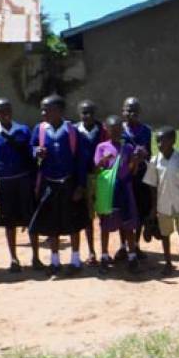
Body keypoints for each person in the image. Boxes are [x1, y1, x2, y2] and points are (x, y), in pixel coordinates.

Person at [29, 95, 89, 276]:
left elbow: (81, 159)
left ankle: (75, 259)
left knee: (74, 222)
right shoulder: (39, 129)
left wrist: (80, 186)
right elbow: (31, 148)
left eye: (47, 109)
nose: (43, 113)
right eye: (42, 109)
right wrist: (35, 151)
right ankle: (54, 261)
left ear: (59, 111)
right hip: (49, 184)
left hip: (69, 183)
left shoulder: (72, 131)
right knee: (51, 223)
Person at [0, 98, 40, 272]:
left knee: (31, 220)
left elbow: (32, 155)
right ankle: (14, 259)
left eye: (8, 109)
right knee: (9, 223)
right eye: (1, 111)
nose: (5, 113)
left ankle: (36, 257)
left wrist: (35, 183)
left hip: (24, 181)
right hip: (5, 184)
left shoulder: (23, 130)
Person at [94, 115, 141, 273]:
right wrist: (104, 160)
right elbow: (97, 170)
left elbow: (132, 171)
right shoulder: (101, 147)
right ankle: (105, 257)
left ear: (122, 130)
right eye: (112, 130)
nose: (115, 133)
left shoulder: (127, 148)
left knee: (127, 225)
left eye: (118, 130)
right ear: (106, 130)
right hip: (108, 192)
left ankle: (132, 256)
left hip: (125, 190)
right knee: (106, 226)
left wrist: (135, 160)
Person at [143, 127, 179, 276]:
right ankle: (168, 263)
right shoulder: (154, 161)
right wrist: (153, 208)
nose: (159, 144)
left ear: (173, 141)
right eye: (157, 141)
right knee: (165, 235)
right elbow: (152, 185)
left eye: (162, 140)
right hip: (163, 204)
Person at [76, 100, 108, 266]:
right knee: (88, 217)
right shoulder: (74, 131)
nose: (87, 115)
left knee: (104, 214)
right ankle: (91, 251)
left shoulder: (103, 130)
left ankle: (104, 251)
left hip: (101, 177)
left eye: (90, 112)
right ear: (79, 114)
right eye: (83, 112)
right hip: (84, 178)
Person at [120, 97, 153, 260]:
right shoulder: (118, 129)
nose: (131, 113)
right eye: (128, 109)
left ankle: (137, 245)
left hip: (140, 176)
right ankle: (123, 246)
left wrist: (143, 155)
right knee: (122, 210)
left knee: (139, 211)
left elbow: (150, 154)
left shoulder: (146, 130)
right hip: (123, 176)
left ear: (139, 112)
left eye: (134, 110)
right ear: (122, 111)